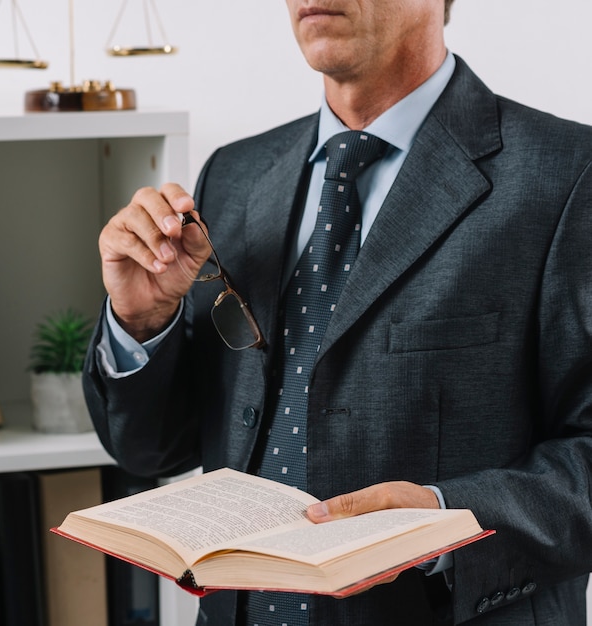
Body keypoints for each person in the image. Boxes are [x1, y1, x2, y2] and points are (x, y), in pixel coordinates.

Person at [83, 0, 592, 624]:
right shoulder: (233, 176)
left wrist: (443, 515)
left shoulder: (569, 175)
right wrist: (142, 322)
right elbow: (149, 450)